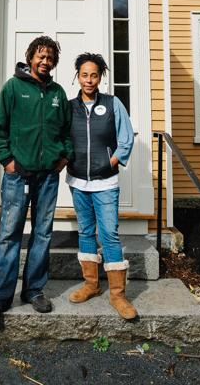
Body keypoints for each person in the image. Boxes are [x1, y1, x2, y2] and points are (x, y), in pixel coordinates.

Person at [0, 36, 72, 325]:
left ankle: (33, 290)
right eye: (40, 57)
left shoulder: (58, 93)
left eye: (50, 58)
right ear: (30, 57)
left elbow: (68, 132)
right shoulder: (12, 88)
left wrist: (64, 158)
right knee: (10, 235)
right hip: (17, 176)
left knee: (42, 233)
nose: (45, 62)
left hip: (47, 177)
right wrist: (7, 161)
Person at [66, 53, 137, 320]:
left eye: (94, 75)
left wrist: (112, 161)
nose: (89, 80)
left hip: (105, 181)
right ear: (78, 76)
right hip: (77, 181)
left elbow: (126, 138)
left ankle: (118, 295)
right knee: (85, 232)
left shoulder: (112, 103)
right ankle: (91, 285)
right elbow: (62, 137)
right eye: (84, 74)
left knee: (109, 233)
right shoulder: (69, 106)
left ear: (100, 77)